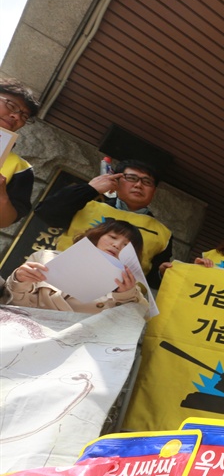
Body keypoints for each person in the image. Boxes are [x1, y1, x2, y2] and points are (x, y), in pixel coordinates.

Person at [34, 159, 172, 288]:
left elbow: (151, 280)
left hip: (113, 302)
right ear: (116, 181)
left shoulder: (162, 233)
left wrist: (161, 274)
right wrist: (90, 189)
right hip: (57, 282)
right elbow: (46, 213)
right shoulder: (87, 206)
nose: (138, 185)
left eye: (147, 182)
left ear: (153, 191)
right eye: (131, 178)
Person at [2, 219, 148, 315]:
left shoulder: (128, 289)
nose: (116, 245)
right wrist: (19, 281)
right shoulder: (46, 257)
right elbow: (14, 304)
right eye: (113, 237)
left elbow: (138, 318)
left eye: (126, 245)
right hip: (22, 326)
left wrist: (124, 295)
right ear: (97, 236)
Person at [0, 78, 39, 228]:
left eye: (24, 116)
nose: (16, 117)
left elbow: (5, 222)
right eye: (11, 105)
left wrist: (2, 195)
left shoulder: (21, 168)